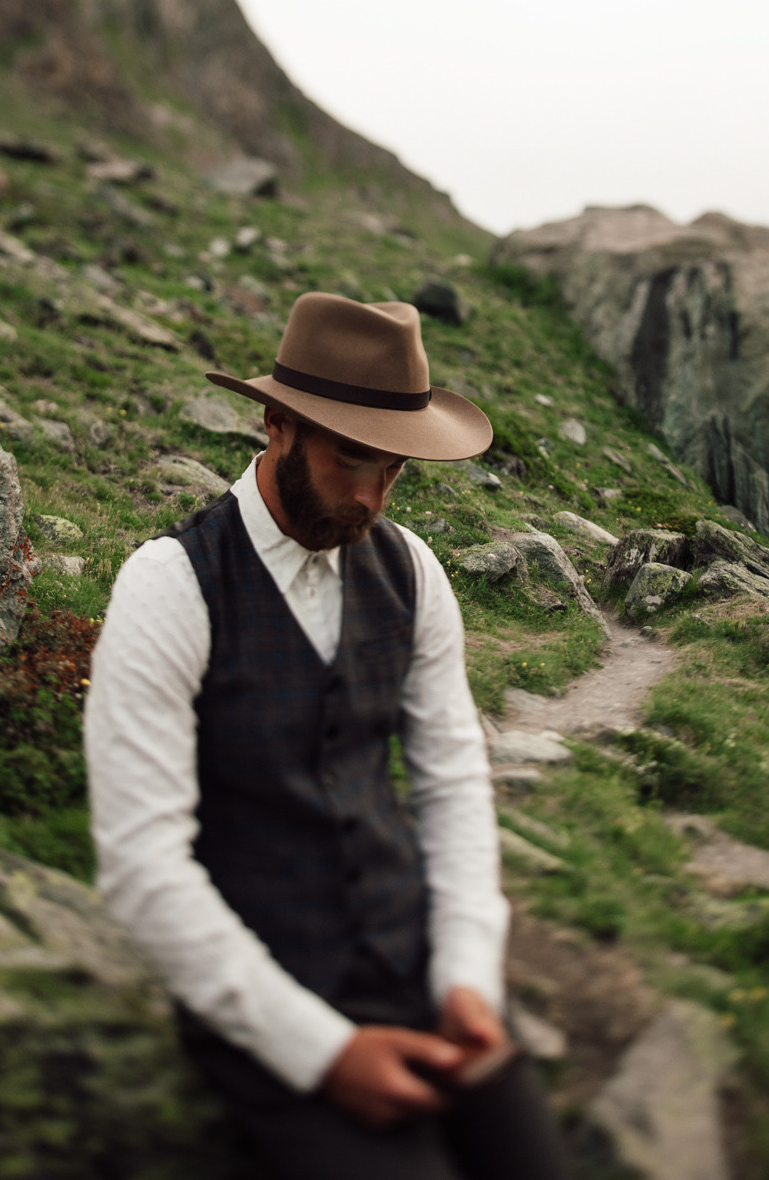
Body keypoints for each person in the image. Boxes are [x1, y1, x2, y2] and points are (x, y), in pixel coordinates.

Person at [86, 293, 568, 1179]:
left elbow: (454, 779)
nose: (370, 498)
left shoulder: (413, 572)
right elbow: (142, 864)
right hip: (268, 1003)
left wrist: (465, 972)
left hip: (418, 975)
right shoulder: (170, 585)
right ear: (276, 424)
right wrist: (322, 1050)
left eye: (393, 469)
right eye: (351, 459)